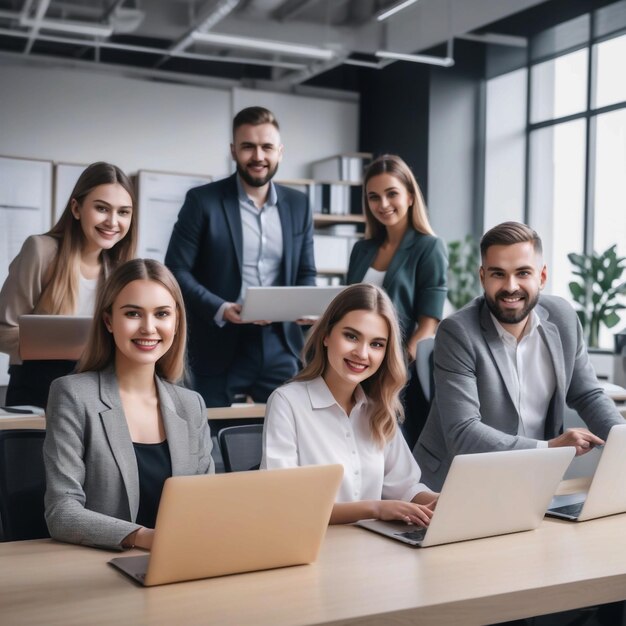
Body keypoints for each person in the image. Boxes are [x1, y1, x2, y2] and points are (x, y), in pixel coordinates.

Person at [414, 221, 625, 491]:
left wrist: (621, 442)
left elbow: (588, 395)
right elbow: (462, 432)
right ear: (483, 277)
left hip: (533, 481)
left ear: (542, 276)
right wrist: (548, 448)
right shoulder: (458, 332)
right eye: (498, 274)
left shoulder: (563, 319)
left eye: (523, 273)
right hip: (453, 486)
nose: (510, 286)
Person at [44, 259, 214, 550]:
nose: (148, 328)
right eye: (133, 313)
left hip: (182, 561)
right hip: (103, 566)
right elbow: (62, 512)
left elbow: (208, 504)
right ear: (109, 321)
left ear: (176, 322)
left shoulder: (191, 405)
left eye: (162, 314)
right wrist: (145, 538)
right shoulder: (72, 395)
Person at [165, 106, 316, 409]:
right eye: (248, 146)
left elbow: (305, 270)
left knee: (289, 433)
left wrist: (306, 304)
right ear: (234, 151)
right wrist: (221, 308)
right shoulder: (202, 201)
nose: (258, 156)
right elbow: (176, 270)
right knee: (206, 435)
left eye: (267, 147)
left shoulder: (299, 204)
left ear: (280, 152)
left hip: (280, 342)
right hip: (218, 340)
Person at [262, 283, 438, 525]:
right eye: (351, 336)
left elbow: (405, 487)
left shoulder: (378, 408)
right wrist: (374, 509)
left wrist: (441, 500)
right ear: (326, 335)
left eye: (376, 344)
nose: (362, 353)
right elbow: (283, 503)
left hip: (373, 549)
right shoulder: (288, 403)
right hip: (313, 549)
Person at [0, 162, 137, 407]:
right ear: (76, 208)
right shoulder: (41, 251)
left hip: (97, 390)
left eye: (123, 212)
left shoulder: (121, 269)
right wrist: (57, 346)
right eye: (102, 208)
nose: (112, 222)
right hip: (38, 387)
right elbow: (3, 330)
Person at [347, 154, 448, 447]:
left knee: (390, 446)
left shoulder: (429, 247)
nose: (383, 204)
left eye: (392, 194)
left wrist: (394, 364)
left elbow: (428, 323)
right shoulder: (361, 249)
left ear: (410, 196)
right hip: (357, 362)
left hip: (397, 370)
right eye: (374, 197)